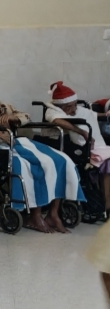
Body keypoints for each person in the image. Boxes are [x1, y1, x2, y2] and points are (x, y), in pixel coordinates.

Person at [0, 77, 80, 233]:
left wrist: (14, 118)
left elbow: (26, 116)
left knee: (61, 160)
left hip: (16, 143)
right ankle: (36, 215)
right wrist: (0, 133)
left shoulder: (3, 107)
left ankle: (53, 213)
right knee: (39, 165)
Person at [44, 80, 110, 212]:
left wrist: (106, 115)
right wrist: (82, 132)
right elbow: (58, 120)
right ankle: (108, 205)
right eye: (71, 106)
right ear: (63, 106)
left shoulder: (75, 109)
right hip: (72, 148)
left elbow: (91, 114)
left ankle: (107, 204)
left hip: (95, 147)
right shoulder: (52, 111)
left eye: (75, 104)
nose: (75, 109)